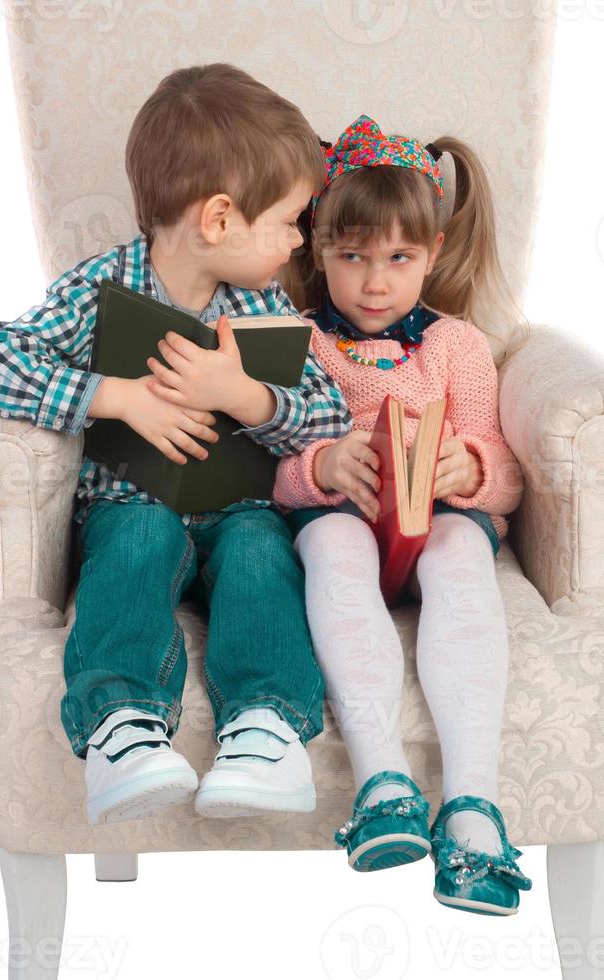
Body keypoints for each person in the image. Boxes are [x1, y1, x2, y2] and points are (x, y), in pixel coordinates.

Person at [0, 64, 353, 827]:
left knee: (262, 554)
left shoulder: (261, 304)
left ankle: (266, 731)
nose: (299, 240)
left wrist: (244, 395)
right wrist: (116, 396)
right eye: (288, 220)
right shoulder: (101, 290)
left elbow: (330, 417)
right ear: (219, 220)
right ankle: (121, 729)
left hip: (241, 508)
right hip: (132, 506)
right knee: (137, 540)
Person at [271, 115, 533, 915]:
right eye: (351, 257)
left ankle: (473, 810)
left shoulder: (458, 345)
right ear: (317, 248)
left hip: (437, 529)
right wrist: (318, 465)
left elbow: (505, 473)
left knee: (461, 550)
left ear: (435, 251)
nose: (374, 283)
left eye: (398, 259)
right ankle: (383, 784)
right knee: (333, 543)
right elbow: (263, 464)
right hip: (346, 527)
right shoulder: (300, 342)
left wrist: (472, 465)